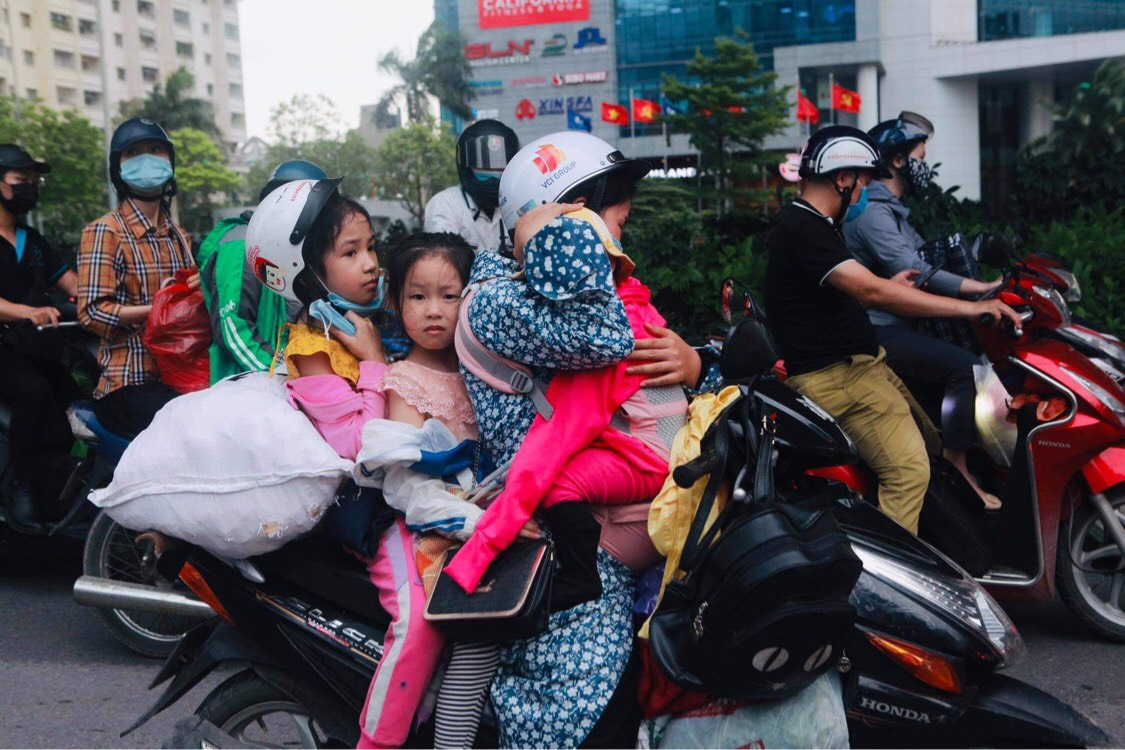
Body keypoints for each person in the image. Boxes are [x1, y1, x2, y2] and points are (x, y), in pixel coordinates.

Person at [447, 132, 709, 748]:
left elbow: (650, 365)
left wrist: (693, 362)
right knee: (578, 725)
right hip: (567, 547)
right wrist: (564, 233)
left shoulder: (569, 290)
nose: (620, 236)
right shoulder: (498, 301)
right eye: (613, 219)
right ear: (573, 217)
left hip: (621, 519)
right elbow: (606, 338)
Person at [762, 125, 1020, 535]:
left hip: (861, 369)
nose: (865, 192)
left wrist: (882, 289)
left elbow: (827, 298)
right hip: (841, 378)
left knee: (931, 446)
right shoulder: (802, 228)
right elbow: (870, 289)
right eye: (864, 181)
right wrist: (973, 309)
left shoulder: (816, 225)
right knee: (908, 473)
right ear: (843, 178)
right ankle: (895, 574)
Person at [843, 112, 1004, 509]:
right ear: (898, 160)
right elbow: (917, 272)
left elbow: (928, 261)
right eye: (920, 156)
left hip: (898, 324)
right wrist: (982, 290)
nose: (924, 166)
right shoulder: (873, 213)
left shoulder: (892, 211)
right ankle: (957, 468)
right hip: (877, 329)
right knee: (966, 369)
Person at [77, 118, 196, 439]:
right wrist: (159, 308)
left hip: (179, 374)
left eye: (155, 149)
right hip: (128, 381)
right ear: (118, 168)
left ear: (170, 160)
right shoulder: (106, 231)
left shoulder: (179, 236)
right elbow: (92, 313)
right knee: (188, 426)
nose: (146, 158)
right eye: (133, 153)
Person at [0, 144, 82, 531]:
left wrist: (103, 298)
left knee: (75, 395)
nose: (30, 187)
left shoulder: (32, 239)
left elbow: (72, 284)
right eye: (22, 179)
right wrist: (27, 311)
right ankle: (22, 488)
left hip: (29, 347)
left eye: (34, 181)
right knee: (32, 390)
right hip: (4, 348)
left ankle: (60, 486)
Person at [196, 159, 327, 384]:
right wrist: (279, 376)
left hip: (290, 383)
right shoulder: (240, 245)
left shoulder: (293, 247)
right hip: (248, 387)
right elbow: (233, 329)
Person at [424, 119, 519, 253]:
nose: (493, 179)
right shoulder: (445, 204)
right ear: (465, 167)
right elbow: (444, 257)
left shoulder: (517, 205)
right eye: (483, 171)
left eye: (500, 171)